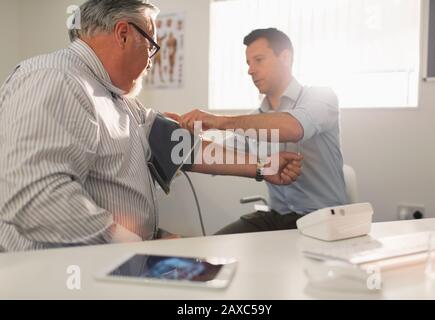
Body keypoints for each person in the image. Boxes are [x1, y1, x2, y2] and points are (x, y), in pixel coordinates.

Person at [0, 3, 302, 252]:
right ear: (123, 34)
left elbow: (181, 148)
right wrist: (137, 246)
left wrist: (263, 166)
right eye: (151, 44)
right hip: (58, 278)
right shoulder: (55, 78)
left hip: (114, 258)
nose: (151, 61)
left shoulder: (116, 96)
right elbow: (35, 196)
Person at [176, 28, 347, 234]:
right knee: (214, 251)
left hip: (323, 219)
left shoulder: (322, 96)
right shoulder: (255, 119)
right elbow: (216, 154)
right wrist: (184, 137)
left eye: (259, 60)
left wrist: (219, 121)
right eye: (248, 63)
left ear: (285, 57)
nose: (250, 70)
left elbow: (294, 127)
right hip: (277, 217)